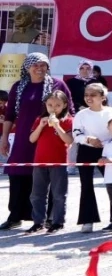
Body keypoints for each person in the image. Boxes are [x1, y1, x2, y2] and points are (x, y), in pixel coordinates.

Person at [2, 53, 73, 229]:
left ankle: (50, 218)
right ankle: (16, 215)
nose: (40, 68)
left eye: (43, 65)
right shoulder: (18, 86)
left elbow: (70, 110)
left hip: (50, 137)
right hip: (24, 137)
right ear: (27, 67)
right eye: (35, 65)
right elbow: (10, 115)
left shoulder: (58, 85)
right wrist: (4, 138)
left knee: (50, 177)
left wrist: (64, 131)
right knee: (18, 173)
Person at [26, 89, 73, 233]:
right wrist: (41, 125)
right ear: (45, 105)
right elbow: (32, 139)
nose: (53, 108)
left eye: (57, 105)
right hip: (40, 162)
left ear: (64, 105)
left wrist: (57, 125)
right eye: (50, 105)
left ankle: (58, 222)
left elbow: (69, 140)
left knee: (59, 195)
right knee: (37, 195)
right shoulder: (39, 120)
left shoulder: (68, 120)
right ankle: (38, 222)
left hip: (58, 163)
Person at [71, 82, 112, 231]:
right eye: (86, 95)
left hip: (108, 150)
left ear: (103, 97)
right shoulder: (81, 114)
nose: (89, 98)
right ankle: (87, 220)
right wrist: (88, 139)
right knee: (86, 185)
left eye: (93, 95)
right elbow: (76, 134)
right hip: (86, 151)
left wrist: (105, 143)